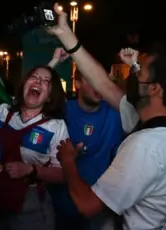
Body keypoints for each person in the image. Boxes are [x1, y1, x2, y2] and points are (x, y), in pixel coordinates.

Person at [48, 3, 166, 229]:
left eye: (138, 71)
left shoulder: (147, 145)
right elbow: (104, 84)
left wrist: (67, 162)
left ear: (154, 89)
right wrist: (66, 34)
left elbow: (88, 205)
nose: (130, 74)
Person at [0, 65, 69, 230]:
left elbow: (64, 174)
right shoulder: (2, 113)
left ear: (50, 96)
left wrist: (31, 169)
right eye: (34, 77)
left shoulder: (56, 127)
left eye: (46, 81)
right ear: (24, 85)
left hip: (31, 207)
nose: (38, 81)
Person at [49, 50, 124, 229]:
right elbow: (35, 94)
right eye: (91, 81)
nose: (98, 87)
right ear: (77, 84)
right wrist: (53, 63)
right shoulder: (62, 111)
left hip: (98, 209)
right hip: (60, 206)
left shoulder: (116, 113)